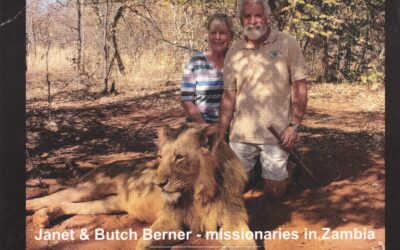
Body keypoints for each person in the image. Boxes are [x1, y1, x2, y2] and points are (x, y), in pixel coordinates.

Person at [218, 0, 308, 198]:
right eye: (247, 16)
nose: (252, 21)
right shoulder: (234, 51)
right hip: (242, 134)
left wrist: (294, 126)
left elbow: (300, 86)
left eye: (257, 15)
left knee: (274, 192)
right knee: (234, 189)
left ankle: (288, 168)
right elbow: (229, 95)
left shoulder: (287, 43)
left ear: (267, 17)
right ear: (241, 21)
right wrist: (220, 134)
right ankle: (258, 170)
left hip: (276, 135)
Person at [181, 13, 234, 124]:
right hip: (199, 130)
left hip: (231, 130)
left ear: (231, 36)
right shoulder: (196, 62)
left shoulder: (236, 61)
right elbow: (186, 100)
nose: (217, 37)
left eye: (223, 33)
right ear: (208, 35)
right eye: (213, 33)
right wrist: (206, 129)